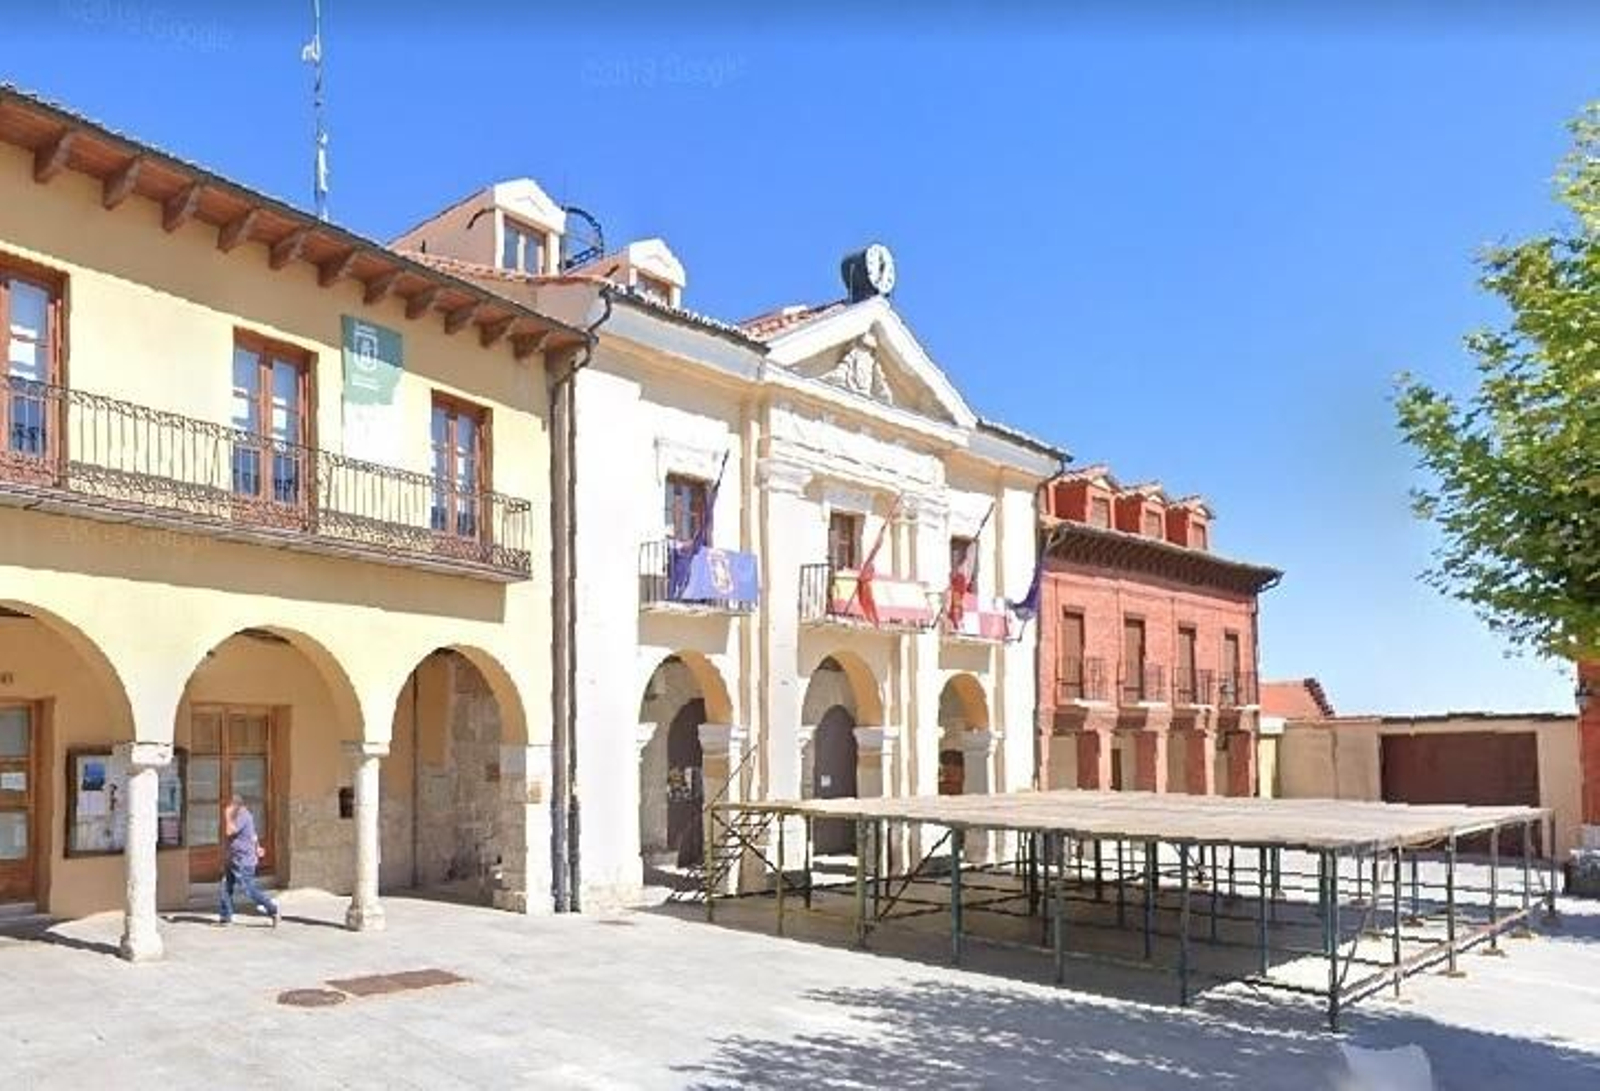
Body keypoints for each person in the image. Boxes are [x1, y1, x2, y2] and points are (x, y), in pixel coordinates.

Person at [220, 793, 279, 927]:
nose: (227, 807)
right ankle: (226, 917)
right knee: (225, 886)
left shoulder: (243, 816)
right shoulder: (244, 815)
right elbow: (253, 835)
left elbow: (229, 831)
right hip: (234, 859)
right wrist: (258, 847)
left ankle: (272, 909)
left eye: (230, 805)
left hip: (243, 861)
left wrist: (227, 816)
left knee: (249, 890)